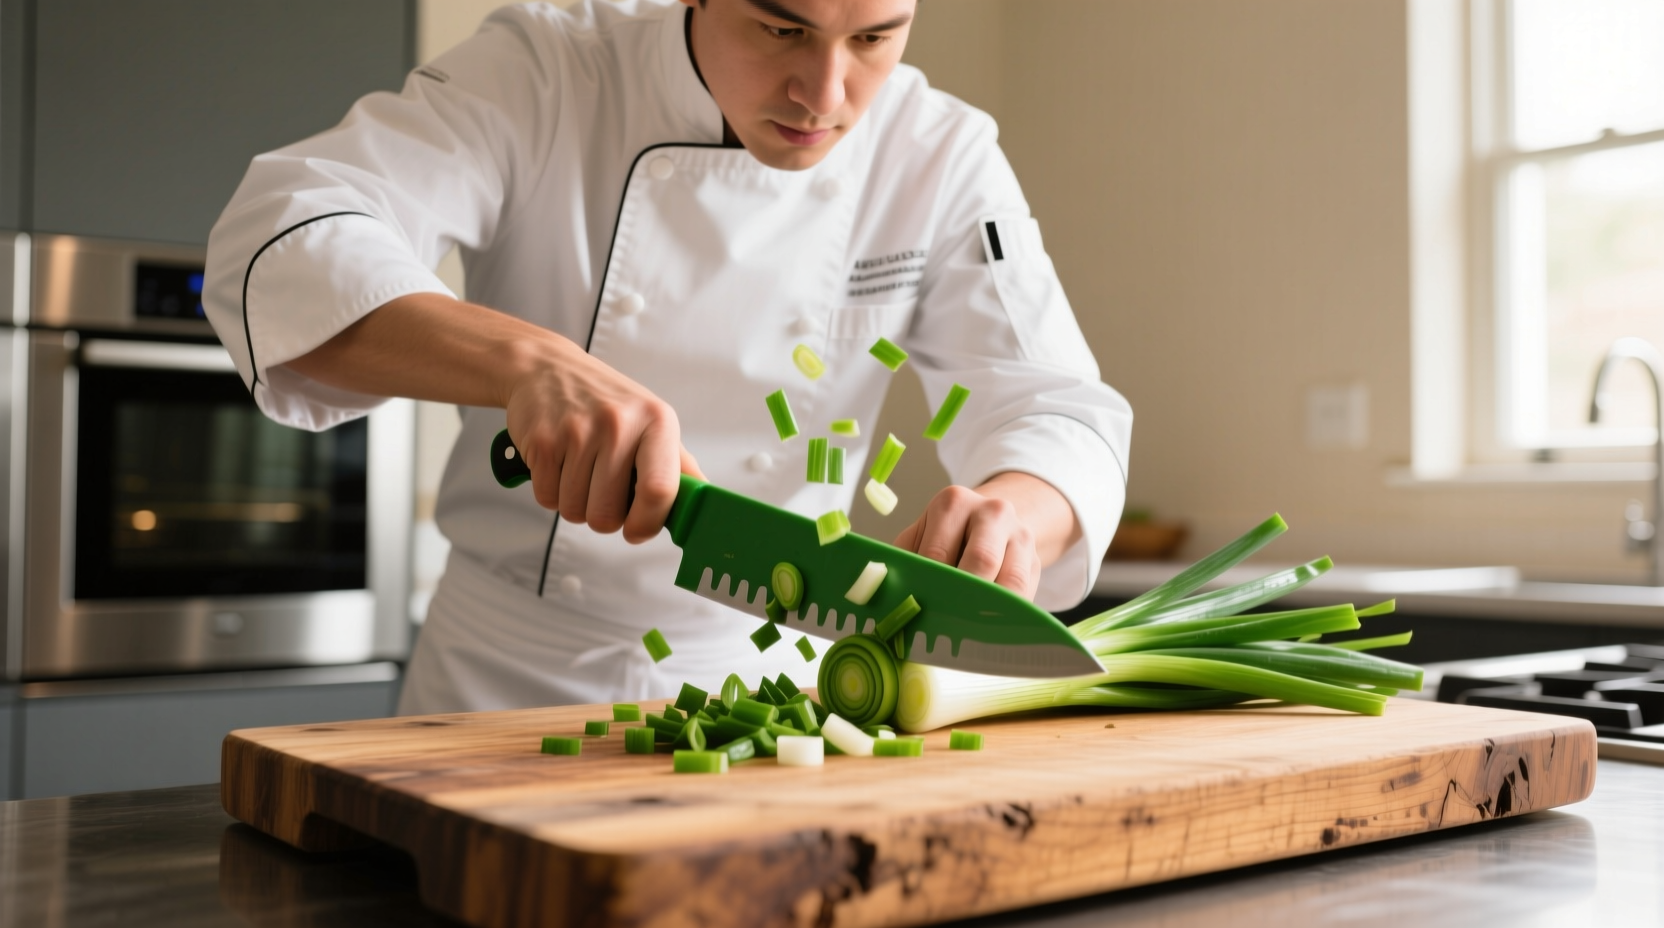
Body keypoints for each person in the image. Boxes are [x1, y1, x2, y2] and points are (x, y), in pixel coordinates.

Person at [203, 0, 1132, 714]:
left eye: (875, 39)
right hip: (504, 684)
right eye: (780, 28)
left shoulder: (938, 155)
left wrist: (1018, 518)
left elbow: (1059, 410)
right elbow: (281, 236)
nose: (826, 94)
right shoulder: (549, 69)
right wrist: (527, 361)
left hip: (780, 693)